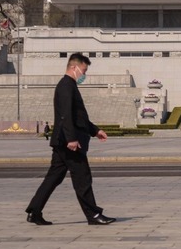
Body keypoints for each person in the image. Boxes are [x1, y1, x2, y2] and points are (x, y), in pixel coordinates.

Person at [25, 53, 115, 226]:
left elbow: (78, 117)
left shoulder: (69, 85)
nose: (84, 74)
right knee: (83, 178)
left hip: (62, 141)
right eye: (83, 70)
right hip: (69, 143)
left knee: (53, 178)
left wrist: (95, 131)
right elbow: (66, 115)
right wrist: (72, 139)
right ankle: (93, 215)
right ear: (74, 68)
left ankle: (34, 211)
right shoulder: (66, 86)